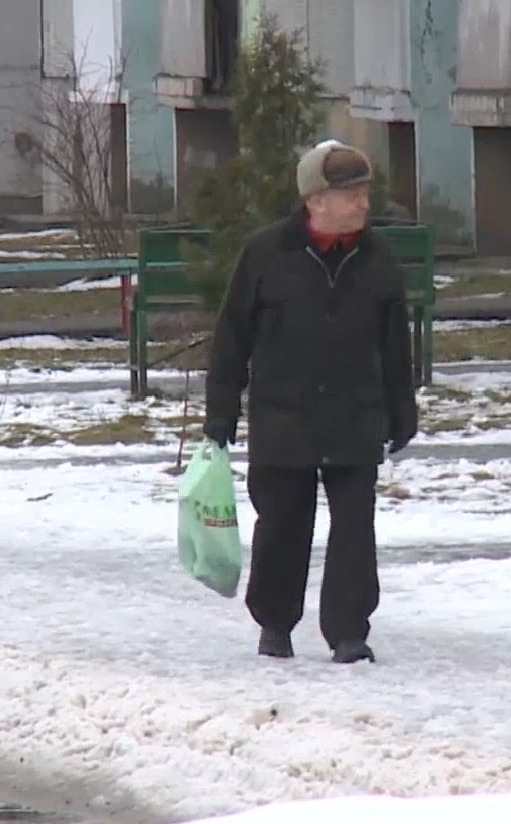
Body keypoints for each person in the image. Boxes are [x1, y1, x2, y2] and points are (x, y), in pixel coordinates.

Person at [202, 140, 419, 664]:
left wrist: (401, 408)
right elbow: (232, 337)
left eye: (365, 193)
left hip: (356, 414)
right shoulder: (265, 255)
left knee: (353, 530)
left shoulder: (377, 259)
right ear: (316, 200)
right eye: (352, 194)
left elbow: (394, 345)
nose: (364, 204)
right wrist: (221, 410)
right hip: (284, 417)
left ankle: (348, 632)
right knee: (281, 524)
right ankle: (274, 623)